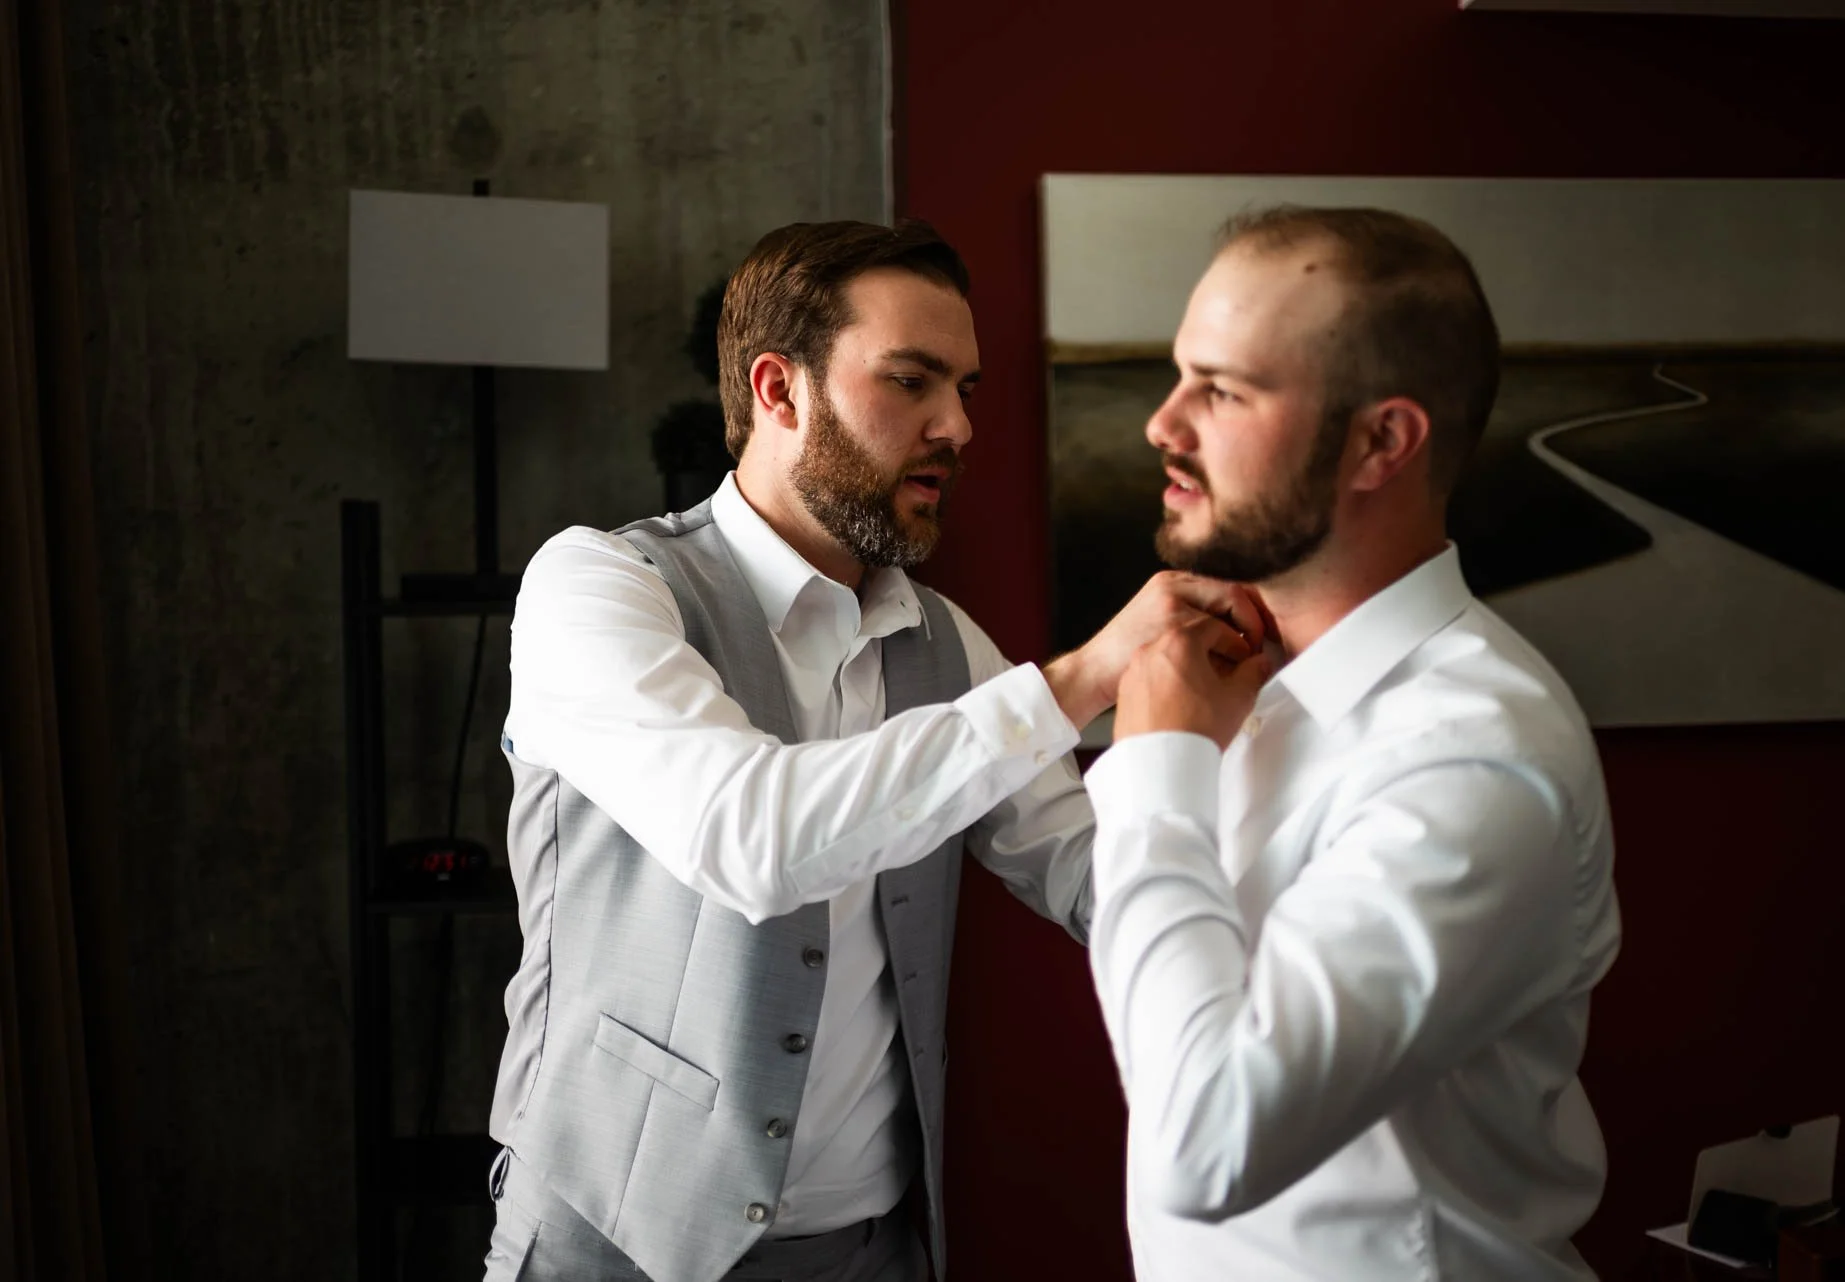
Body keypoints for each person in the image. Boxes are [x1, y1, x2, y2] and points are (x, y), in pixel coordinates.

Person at [483, 219, 1267, 1282]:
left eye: (967, 389)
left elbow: (1091, 877)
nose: (958, 426)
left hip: (876, 1247)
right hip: (617, 1238)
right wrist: (1086, 676)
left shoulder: (951, 646)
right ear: (779, 390)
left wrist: (1248, 770)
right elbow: (748, 836)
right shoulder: (599, 588)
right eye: (912, 380)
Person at [1084, 206, 1622, 1281]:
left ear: (1384, 440)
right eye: (1179, 374)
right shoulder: (1232, 683)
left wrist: (1154, 765)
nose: (1163, 423)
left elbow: (1205, 1140)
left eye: (1223, 390)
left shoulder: (1477, 759)